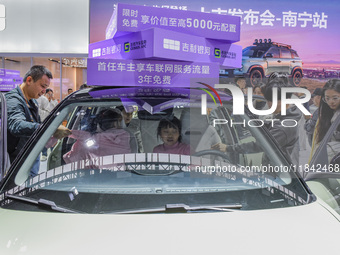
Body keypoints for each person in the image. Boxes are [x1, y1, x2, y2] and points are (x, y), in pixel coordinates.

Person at [6, 65, 71, 176]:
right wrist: (49, 129)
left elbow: (35, 127)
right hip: (16, 164)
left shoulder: (33, 102)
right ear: (29, 80)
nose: (44, 91)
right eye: (42, 86)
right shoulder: (13, 100)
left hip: (30, 158)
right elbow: (16, 125)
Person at [63, 109, 132, 164]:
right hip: (124, 177)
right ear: (118, 122)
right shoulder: (126, 136)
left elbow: (72, 159)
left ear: (99, 124)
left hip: (96, 178)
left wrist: (69, 133)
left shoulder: (94, 139)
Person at [310, 79, 340, 160]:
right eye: (327, 98)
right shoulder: (324, 113)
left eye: (335, 98)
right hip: (327, 161)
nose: (331, 102)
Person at [36, 88, 59, 160]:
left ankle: (53, 154)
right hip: (43, 121)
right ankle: (44, 154)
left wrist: (53, 100)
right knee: (44, 139)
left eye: (51, 94)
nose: (50, 95)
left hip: (51, 122)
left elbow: (54, 109)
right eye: (48, 94)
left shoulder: (52, 101)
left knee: (52, 139)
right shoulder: (42, 99)